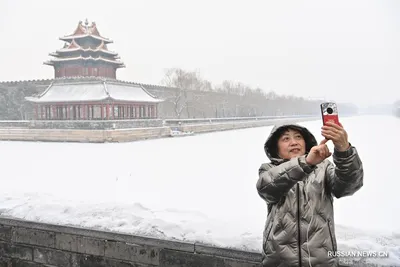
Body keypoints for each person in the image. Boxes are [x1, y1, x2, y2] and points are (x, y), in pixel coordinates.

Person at [256, 121, 363, 267]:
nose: (293, 142)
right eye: (286, 139)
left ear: (306, 142)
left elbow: (348, 186)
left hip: (322, 260)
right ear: (275, 147)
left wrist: (344, 151)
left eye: (298, 137)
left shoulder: (324, 167)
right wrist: (305, 163)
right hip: (278, 260)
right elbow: (266, 189)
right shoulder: (268, 169)